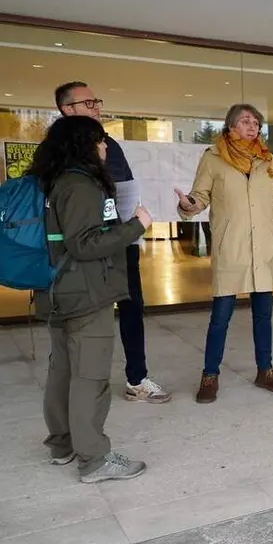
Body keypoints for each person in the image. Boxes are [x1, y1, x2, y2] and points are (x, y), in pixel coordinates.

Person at [32, 116, 151, 483]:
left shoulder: (54, 181)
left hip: (58, 290)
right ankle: (95, 459)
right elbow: (84, 245)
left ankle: (62, 444)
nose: (105, 148)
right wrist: (136, 226)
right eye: (100, 141)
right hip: (85, 293)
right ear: (84, 144)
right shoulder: (82, 186)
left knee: (63, 370)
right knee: (90, 376)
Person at [54, 82, 171, 405]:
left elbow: (122, 189)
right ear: (67, 109)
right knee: (83, 320)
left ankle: (137, 378)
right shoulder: (55, 152)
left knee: (132, 306)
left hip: (118, 242)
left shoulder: (110, 145)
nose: (96, 107)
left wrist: (131, 228)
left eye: (97, 101)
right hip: (77, 251)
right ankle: (79, 389)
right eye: (87, 102)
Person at [176, 104, 273, 403]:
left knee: (263, 315)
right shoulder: (213, 159)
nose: (252, 126)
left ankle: (265, 370)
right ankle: (210, 375)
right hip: (232, 248)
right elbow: (200, 196)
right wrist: (189, 205)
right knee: (221, 316)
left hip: (264, 248)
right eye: (245, 121)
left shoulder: (269, 161)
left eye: (256, 122)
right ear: (231, 127)